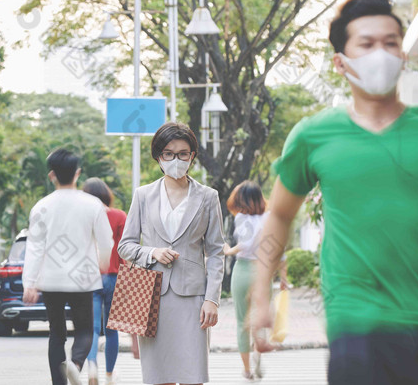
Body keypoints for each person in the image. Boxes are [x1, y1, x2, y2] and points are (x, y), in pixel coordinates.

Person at [251, 0, 418, 384]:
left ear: (404, 55)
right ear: (341, 62)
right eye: (368, 43)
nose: (382, 53)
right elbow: (279, 215)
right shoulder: (313, 136)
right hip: (353, 322)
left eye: (391, 43)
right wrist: (261, 299)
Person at [117, 122, 225, 385]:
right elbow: (125, 245)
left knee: (193, 376)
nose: (176, 160)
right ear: (158, 157)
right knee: (159, 377)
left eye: (183, 153)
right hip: (151, 297)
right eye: (168, 153)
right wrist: (152, 252)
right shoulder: (143, 195)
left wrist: (212, 299)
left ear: (192, 156)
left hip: (193, 299)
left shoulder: (208, 197)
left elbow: (216, 252)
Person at [22, 149, 114, 385]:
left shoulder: (41, 207)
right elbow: (106, 241)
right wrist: (103, 263)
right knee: (84, 330)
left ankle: (59, 383)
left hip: (51, 280)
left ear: (52, 175)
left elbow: (34, 248)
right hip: (83, 279)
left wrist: (29, 284)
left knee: (57, 334)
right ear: (78, 173)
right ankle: (75, 364)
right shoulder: (92, 204)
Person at [223, 180, 289, 382]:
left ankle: (247, 370)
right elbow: (280, 251)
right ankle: (258, 356)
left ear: (242, 199)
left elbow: (245, 243)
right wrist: (284, 279)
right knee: (259, 317)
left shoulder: (242, 217)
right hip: (263, 272)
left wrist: (228, 250)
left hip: (243, 271)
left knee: (242, 321)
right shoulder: (270, 217)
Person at [82, 177, 126, 385]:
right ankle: (109, 374)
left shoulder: (82, 217)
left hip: (90, 278)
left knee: (91, 328)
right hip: (114, 277)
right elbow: (126, 249)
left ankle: (92, 368)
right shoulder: (119, 216)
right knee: (112, 330)